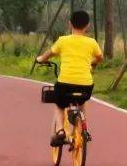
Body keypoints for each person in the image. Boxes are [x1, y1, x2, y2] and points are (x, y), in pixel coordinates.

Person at [36, 10, 103, 145]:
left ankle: (60, 130)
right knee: (82, 101)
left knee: (59, 104)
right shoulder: (92, 42)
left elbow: (48, 54)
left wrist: (40, 59)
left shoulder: (63, 41)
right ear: (87, 26)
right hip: (85, 85)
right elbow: (100, 58)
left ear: (70, 24)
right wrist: (92, 64)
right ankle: (83, 127)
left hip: (65, 83)